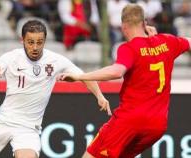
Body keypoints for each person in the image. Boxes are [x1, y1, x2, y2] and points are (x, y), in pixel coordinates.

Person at [58, 3, 191, 158]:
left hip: (130, 120)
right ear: (144, 23)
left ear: (123, 26)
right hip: (157, 126)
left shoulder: (129, 48)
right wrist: (155, 39)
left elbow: (116, 71)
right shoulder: (167, 41)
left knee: (91, 156)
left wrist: (80, 77)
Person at [0, 20, 111, 158]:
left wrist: (100, 96)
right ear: (22, 40)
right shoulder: (11, 58)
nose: (35, 47)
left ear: (45, 41)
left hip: (28, 128)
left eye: (39, 42)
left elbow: (83, 76)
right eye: (30, 42)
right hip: (3, 120)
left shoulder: (55, 60)